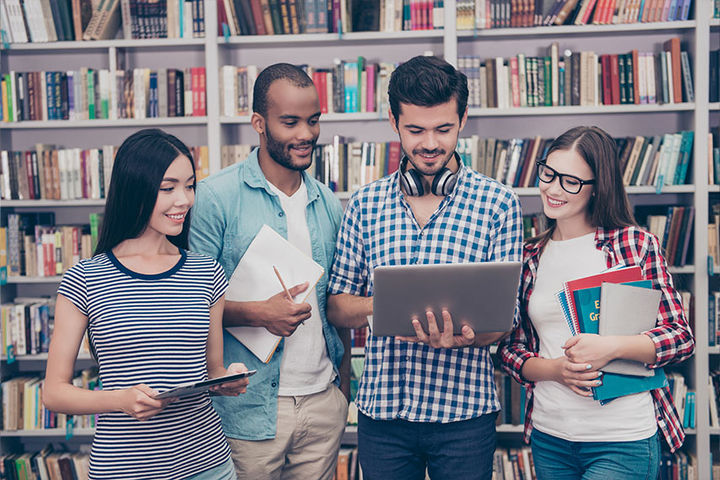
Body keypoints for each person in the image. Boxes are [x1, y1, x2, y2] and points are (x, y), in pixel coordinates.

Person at [326, 55, 523, 480]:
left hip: (464, 415)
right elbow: (337, 306)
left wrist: (464, 338)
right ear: (394, 122)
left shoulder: (498, 203)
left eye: (443, 129)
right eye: (416, 130)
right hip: (383, 413)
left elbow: (505, 319)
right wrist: (382, 305)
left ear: (463, 119)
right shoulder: (365, 203)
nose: (430, 143)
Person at [43, 128, 250, 480]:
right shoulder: (86, 278)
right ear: (135, 189)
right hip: (123, 469)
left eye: (189, 185)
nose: (184, 200)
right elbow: (54, 393)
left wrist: (228, 379)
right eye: (168, 188)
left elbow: (212, 369)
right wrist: (120, 400)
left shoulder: (206, 272)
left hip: (208, 465)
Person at [498, 125, 695, 480]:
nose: (553, 189)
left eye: (570, 181)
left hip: (622, 438)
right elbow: (510, 350)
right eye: (549, 173)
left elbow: (680, 337)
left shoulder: (634, 245)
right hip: (550, 436)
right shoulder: (529, 256)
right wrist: (555, 370)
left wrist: (610, 348)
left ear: (596, 189)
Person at [189, 63, 349, 480]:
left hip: (321, 401)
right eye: (290, 122)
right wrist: (260, 313)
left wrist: (341, 392)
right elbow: (187, 306)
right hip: (248, 407)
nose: (306, 134)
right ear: (259, 123)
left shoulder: (330, 205)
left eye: (313, 121)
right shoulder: (214, 198)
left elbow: (336, 302)